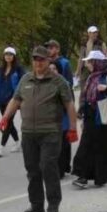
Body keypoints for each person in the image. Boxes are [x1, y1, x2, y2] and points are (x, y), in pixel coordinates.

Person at [0, 46, 78, 212]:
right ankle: (36, 204)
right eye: (35, 59)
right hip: (28, 132)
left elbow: (69, 104)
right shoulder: (26, 79)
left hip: (50, 132)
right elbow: (16, 99)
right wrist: (5, 118)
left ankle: (53, 202)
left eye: (41, 59)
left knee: (48, 166)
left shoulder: (59, 81)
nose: (38, 62)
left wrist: (72, 128)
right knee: (32, 169)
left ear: (48, 61)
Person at [71, 51, 107, 189]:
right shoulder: (91, 78)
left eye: (89, 62)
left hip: (105, 120)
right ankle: (83, 177)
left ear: (97, 62)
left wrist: (106, 89)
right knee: (86, 147)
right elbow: (86, 96)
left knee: (103, 149)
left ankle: (103, 177)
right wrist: (81, 110)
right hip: (91, 118)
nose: (87, 65)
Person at [45, 40, 74, 178]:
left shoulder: (65, 63)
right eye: (47, 48)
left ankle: (63, 166)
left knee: (64, 141)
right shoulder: (45, 63)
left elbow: (70, 83)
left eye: (51, 48)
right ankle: (56, 166)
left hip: (63, 110)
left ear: (57, 48)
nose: (49, 50)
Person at [0, 48, 25, 157]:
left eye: (10, 54)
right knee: (9, 122)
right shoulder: (0, 68)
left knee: (7, 121)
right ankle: (17, 142)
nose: (8, 56)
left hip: (13, 99)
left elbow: (23, 82)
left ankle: (1, 147)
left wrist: (21, 97)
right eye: (6, 54)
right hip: (1, 98)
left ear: (14, 56)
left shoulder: (18, 69)